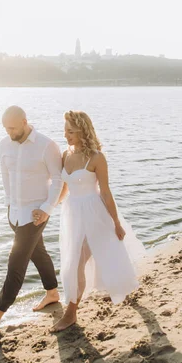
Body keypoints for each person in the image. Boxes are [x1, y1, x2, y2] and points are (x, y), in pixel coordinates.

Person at [0, 106, 64, 336]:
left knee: (16, 264)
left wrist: (46, 209)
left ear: (24, 121)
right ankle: (52, 293)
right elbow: (6, 176)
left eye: (12, 127)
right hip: (14, 213)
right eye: (6, 128)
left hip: (36, 215)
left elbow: (59, 180)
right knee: (38, 253)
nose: (9, 132)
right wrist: (9, 205)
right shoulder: (4, 145)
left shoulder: (46, 145)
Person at [51, 110, 144, 332]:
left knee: (78, 263)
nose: (66, 135)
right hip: (72, 215)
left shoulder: (97, 158)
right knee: (73, 263)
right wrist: (48, 208)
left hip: (95, 215)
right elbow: (64, 188)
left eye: (71, 131)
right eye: (65, 130)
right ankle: (73, 307)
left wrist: (116, 223)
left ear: (83, 131)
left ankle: (71, 312)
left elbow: (105, 192)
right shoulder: (65, 155)